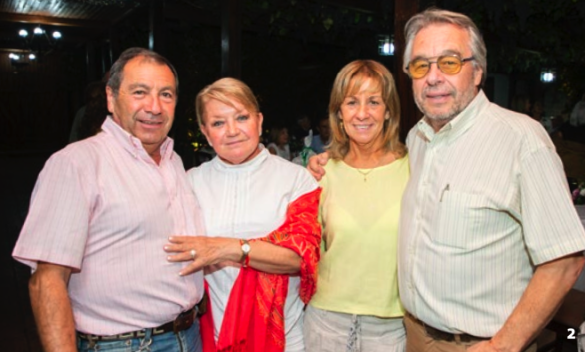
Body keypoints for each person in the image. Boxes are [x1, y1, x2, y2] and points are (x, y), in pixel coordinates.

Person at [309, 8, 585, 352]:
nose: (433, 77)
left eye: (450, 63)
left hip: (480, 344)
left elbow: (565, 260)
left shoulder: (521, 140)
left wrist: (503, 345)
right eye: (421, 65)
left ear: (478, 71)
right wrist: (325, 163)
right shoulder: (417, 141)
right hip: (409, 336)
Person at [12, 47, 205, 352]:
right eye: (140, 92)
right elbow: (46, 282)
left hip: (189, 336)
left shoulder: (174, 161)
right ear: (111, 98)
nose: (154, 107)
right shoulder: (77, 163)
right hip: (124, 345)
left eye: (166, 94)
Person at [163, 77, 322, 352]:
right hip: (211, 337)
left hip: (284, 340)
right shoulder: (190, 182)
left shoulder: (296, 179)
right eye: (218, 123)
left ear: (259, 121)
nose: (232, 130)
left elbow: (300, 259)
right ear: (204, 131)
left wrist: (226, 248)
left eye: (241, 117)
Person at [303, 59, 408, 352]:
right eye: (351, 102)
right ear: (339, 112)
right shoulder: (321, 174)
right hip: (325, 323)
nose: (362, 113)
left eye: (373, 102)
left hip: (390, 329)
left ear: (388, 111)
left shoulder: (414, 170)